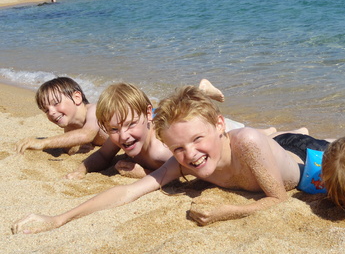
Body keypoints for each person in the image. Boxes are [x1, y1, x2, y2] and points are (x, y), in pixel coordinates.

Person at [11, 86, 310, 234]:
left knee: (276, 136)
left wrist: (226, 211)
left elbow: (279, 199)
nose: (189, 155)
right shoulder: (180, 158)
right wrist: (58, 219)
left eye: (196, 142)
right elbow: (128, 192)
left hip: (303, 152)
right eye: (178, 148)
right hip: (267, 148)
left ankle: (293, 130)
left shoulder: (244, 141)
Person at [65, 82, 277, 180]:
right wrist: (81, 169)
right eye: (113, 129)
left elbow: (195, 169)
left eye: (129, 125)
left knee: (254, 136)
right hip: (163, 120)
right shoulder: (122, 134)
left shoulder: (163, 150)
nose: (122, 136)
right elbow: (102, 155)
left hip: (211, 132)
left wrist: (144, 174)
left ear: (146, 115)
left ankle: (276, 131)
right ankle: (200, 90)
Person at [15, 77, 106, 155]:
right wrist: (73, 149)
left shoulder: (94, 110)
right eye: (46, 110)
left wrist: (43, 142)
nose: (51, 112)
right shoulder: (70, 126)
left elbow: (87, 134)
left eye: (56, 103)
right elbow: (67, 143)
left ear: (77, 98)